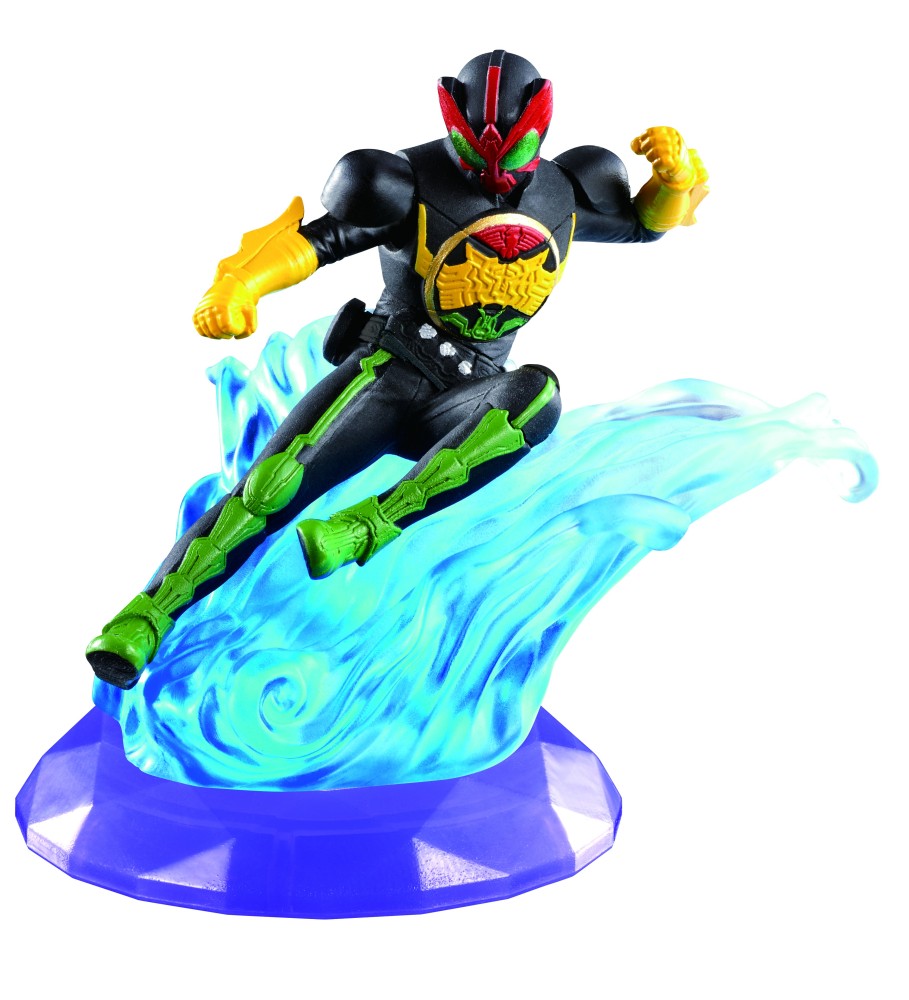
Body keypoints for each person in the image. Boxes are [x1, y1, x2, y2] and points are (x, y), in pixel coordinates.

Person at [86, 49, 709, 690]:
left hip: (469, 402)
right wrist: (239, 285)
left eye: (514, 150)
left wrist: (674, 180)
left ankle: (366, 528)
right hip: (387, 373)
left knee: (538, 395)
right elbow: (320, 240)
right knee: (269, 490)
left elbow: (642, 225)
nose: (495, 172)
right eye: (477, 150)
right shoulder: (404, 180)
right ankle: (144, 619)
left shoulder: (566, 189)